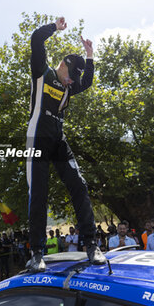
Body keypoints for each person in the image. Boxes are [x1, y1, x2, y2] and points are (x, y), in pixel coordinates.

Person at [26, 17, 106, 271]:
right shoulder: (43, 73)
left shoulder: (70, 87)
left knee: (79, 185)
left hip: (59, 141)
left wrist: (90, 55)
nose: (72, 81)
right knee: (39, 192)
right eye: (71, 75)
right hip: (37, 138)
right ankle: (37, 252)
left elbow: (88, 81)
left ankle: (91, 244)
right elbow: (36, 40)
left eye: (74, 78)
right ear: (62, 66)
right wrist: (54, 28)